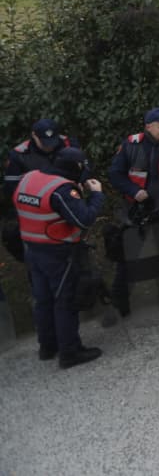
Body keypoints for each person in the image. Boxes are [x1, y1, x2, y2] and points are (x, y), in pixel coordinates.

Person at [13, 147, 105, 368]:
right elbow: (83, 219)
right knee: (65, 301)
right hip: (57, 252)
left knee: (43, 300)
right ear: (77, 167)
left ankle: (48, 347)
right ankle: (70, 352)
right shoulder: (61, 190)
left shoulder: (30, 178)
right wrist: (96, 195)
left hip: (32, 248)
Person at [107, 108, 159, 315]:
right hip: (135, 211)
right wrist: (134, 191)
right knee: (128, 258)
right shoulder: (131, 145)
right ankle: (119, 305)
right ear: (148, 127)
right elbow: (115, 175)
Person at [5, 119, 85, 199]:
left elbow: (84, 167)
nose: (49, 147)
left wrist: (82, 181)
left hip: (69, 196)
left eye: (53, 141)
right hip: (37, 200)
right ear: (34, 135)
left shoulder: (68, 144)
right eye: (44, 143)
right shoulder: (19, 154)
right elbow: (12, 188)